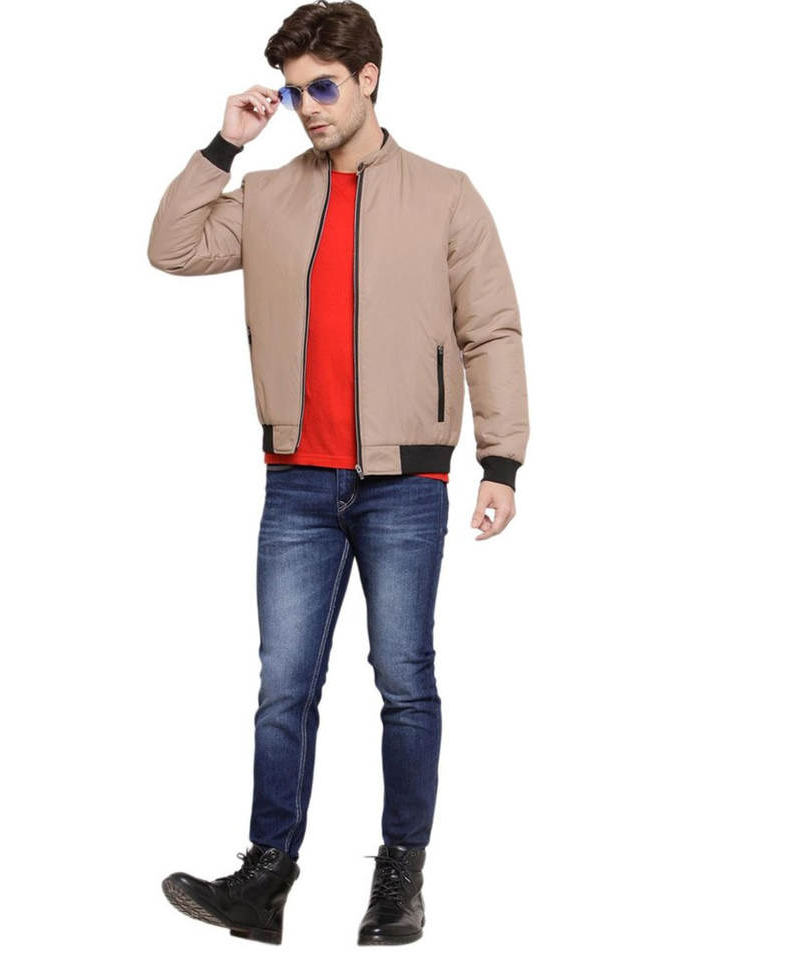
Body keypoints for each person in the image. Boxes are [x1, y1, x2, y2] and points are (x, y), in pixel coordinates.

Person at [147, 0, 529, 946]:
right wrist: (225, 145)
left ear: (368, 79)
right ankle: (265, 878)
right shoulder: (270, 195)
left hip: (407, 485)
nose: (306, 107)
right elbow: (173, 247)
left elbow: (491, 328)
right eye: (292, 92)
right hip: (298, 485)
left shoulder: (446, 194)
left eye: (322, 87)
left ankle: (400, 879)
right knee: (284, 687)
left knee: (404, 680)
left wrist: (502, 460)